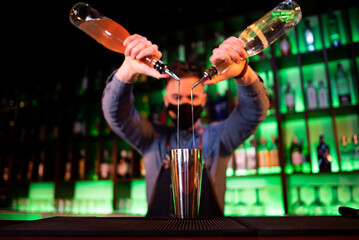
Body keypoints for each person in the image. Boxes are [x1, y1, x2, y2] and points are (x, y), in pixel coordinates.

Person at [102, 34, 269, 217]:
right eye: (177, 98)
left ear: (204, 100)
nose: (184, 104)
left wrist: (244, 74)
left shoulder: (219, 137)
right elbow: (116, 114)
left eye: (192, 97)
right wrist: (128, 70)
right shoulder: (151, 138)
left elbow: (253, 113)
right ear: (166, 101)